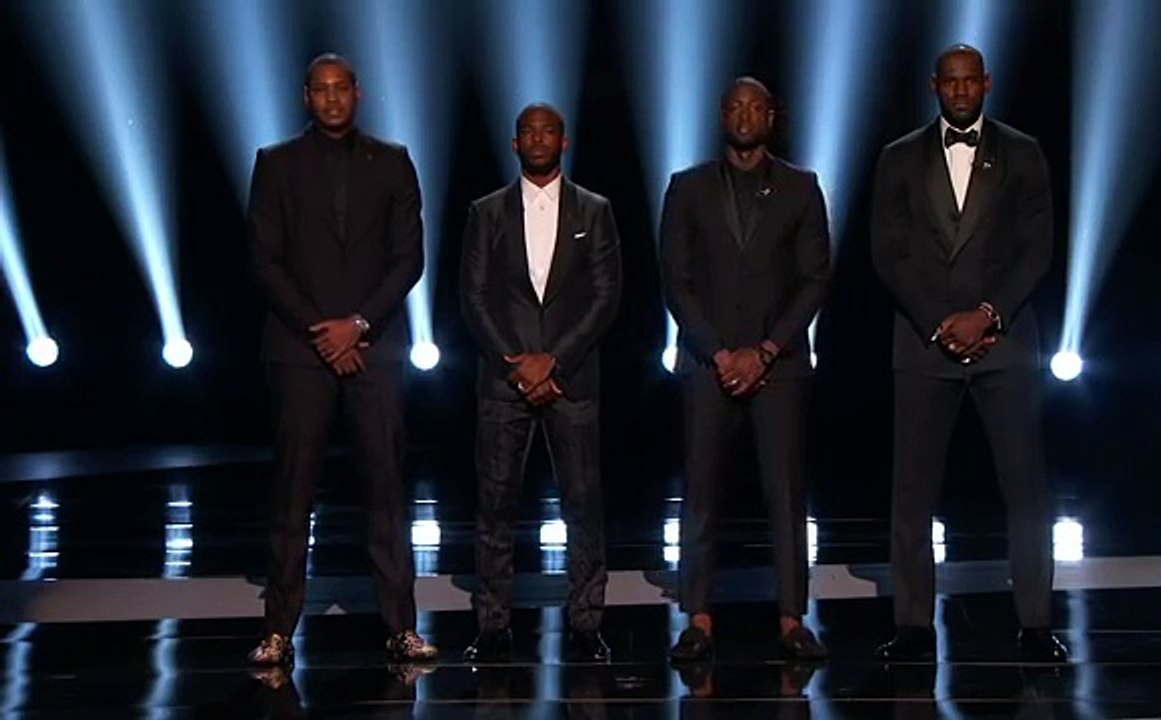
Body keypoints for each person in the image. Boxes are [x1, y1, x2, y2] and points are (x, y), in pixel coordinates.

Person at [870, 44, 1066, 662]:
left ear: (987, 83)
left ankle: (1035, 624)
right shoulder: (899, 157)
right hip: (924, 343)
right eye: (949, 81)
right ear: (935, 86)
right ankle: (912, 626)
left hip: (1004, 343)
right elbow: (888, 252)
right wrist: (939, 321)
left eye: (969, 80)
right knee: (912, 494)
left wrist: (987, 315)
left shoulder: (1024, 152)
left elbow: (1037, 247)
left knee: (1025, 489)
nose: (959, 90)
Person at [246, 53, 435, 665]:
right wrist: (322, 333)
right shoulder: (276, 163)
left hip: (374, 349)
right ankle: (278, 630)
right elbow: (265, 259)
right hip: (299, 351)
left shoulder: (393, 160)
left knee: (386, 489)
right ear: (306, 97)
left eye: (341, 89)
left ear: (358, 93)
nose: (332, 99)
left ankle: (401, 626)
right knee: (292, 492)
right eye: (321, 90)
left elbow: (408, 258)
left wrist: (356, 327)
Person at [660, 77, 831, 662]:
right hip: (706, 363)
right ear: (721, 115)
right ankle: (698, 618)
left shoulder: (801, 187)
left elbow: (814, 277)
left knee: (785, 494)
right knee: (700, 494)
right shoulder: (687, 187)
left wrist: (766, 350)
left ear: (771, 116)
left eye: (755, 107)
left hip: (779, 365)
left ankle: (792, 619)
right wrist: (718, 352)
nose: (744, 115)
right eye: (735, 106)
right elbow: (676, 279)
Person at [458, 103, 622, 662]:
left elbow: (606, 296)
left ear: (564, 141)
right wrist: (517, 364)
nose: (537, 138)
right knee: (495, 504)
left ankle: (586, 623)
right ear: (514, 143)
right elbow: (473, 297)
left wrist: (554, 361)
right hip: (503, 381)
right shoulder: (486, 212)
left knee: (583, 503)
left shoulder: (595, 210)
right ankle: (492, 625)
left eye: (547, 130)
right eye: (527, 130)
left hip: (571, 380)